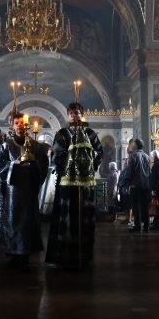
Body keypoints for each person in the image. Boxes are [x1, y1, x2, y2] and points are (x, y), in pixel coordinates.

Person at [45, 102, 103, 269]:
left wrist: (88, 161)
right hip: (67, 184)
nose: (74, 116)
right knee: (67, 217)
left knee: (85, 218)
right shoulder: (63, 134)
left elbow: (99, 152)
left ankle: (84, 254)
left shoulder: (90, 133)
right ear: (68, 115)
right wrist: (71, 158)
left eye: (77, 113)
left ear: (82, 114)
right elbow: (56, 156)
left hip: (86, 185)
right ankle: (64, 255)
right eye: (71, 113)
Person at [0, 112, 50, 269]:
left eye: (22, 122)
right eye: (16, 123)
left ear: (27, 125)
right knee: (13, 221)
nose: (20, 125)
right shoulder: (7, 145)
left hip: (29, 189)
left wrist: (34, 165)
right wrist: (14, 164)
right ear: (12, 126)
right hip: (13, 190)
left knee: (28, 221)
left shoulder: (36, 146)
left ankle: (25, 254)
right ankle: (13, 252)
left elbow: (43, 164)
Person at [125, 139, 151, 233]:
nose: (132, 146)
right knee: (145, 206)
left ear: (135, 146)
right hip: (145, 185)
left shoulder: (133, 156)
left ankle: (137, 226)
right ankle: (146, 226)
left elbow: (130, 171)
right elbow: (149, 171)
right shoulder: (147, 156)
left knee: (136, 206)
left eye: (133, 144)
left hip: (135, 185)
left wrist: (127, 183)